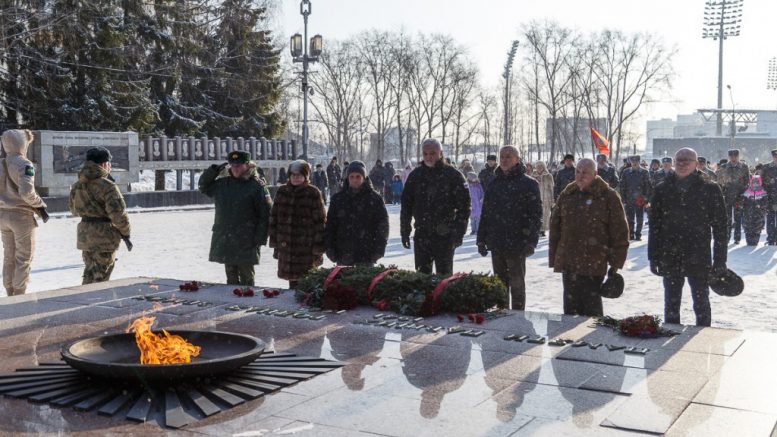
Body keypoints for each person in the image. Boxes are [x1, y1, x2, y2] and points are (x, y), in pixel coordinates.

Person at [648, 148, 727, 327]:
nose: (682, 164)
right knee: (671, 303)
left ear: (696, 163)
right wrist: (653, 256)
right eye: (679, 160)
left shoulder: (709, 188)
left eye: (687, 160)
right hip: (670, 254)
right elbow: (655, 226)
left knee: (701, 302)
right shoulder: (662, 188)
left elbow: (721, 228)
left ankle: (703, 336)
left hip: (698, 254)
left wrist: (720, 260)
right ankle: (670, 333)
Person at [549, 158, 629, 317]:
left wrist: (615, 264)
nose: (580, 176)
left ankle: (593, 333)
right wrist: (556, 257)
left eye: (585, 172)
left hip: (594, 261)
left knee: (591, 310)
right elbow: (555, 227)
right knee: (570, 309)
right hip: (569, 260)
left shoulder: (608, 196)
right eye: (577, 172)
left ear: (595, 173)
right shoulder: (567, 194)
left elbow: (620, 232)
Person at [477, 146, 542, 310]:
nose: (504, 160)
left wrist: (531, 241)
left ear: (517, 160)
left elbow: (535, 216)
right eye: (502, 157)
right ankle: (502, 315)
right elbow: (486, 213)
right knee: (500, 285)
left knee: (517, 284)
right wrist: (481, 239)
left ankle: (517, 317)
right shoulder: (494, 183)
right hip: (497, 241)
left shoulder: (529, 184)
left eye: (509, 157)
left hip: (517, 242)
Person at [198, 150, 271, 285]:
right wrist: (213, 171)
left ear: (247, 165)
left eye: (239, 165)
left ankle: (247, 299)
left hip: (247, 240)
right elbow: (203, 187)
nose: (236, 169)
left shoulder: (256, 186)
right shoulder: (223, 184)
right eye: (233, 165)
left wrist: (260, 238)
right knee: (230, 280)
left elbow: (265, 214)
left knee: (247, 281)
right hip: (227, 238)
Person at [401, 138, 470, 276]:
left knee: (444, 278)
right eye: (425, 154)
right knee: (422, 277)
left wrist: (459, 232)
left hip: (445, 235)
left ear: (441, 153)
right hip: (422, 233)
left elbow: (464, 207)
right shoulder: (415, 176)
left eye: (432, 153)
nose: (429, 157)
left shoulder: (453, 175)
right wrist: (405, 230)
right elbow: (406, 205)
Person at [68, 147, 131, 284]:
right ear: (103, 164)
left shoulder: (77, 185)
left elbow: (73, 210)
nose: (110, 167)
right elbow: (118, 215)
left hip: (85, 237)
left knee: (89, 275)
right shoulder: (108, 186)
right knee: (100, 280)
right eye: (109, 163)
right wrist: (126, 232)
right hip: (104, 238)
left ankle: (82, 296)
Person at [0, 129, 48, 296]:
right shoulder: (24, 164)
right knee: (23, 258)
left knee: (9, 256)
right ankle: (19, 294)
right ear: (22, 144)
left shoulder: (1, 163)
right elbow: (27, 193)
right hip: (21, 217)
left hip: (2, 216)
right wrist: (40, 204)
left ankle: (9, 291)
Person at [269, 160, 326, 289]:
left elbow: (320, 222)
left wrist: (318, 248)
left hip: (306, 247)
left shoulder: (313, 193)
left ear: (306, 176)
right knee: (292, 284)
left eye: (299, 175)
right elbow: (274, 218)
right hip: (286, 246)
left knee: (307, 283)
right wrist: (275, 243)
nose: (296, 177)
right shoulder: (282, 191)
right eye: (293, 174)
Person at [324, 161, 389, 266]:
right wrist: (329, 248)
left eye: (358, 176)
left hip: (367, 253)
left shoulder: (374, 199)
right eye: (352, 176)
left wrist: (379, 249)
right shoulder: (338, 199)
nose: (355, 180)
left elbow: (383, 226)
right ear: (347, 178)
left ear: (364, 177)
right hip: (343, 253)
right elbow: (330, 225)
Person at [716, 149, 750, 244]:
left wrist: (742, 193)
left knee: (738, 218)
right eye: (731, 156)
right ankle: (727, 237)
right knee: (727, 218)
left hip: (739, 196)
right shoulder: (723, 167)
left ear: (738, 156)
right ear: (729, 157)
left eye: (735, 156)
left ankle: (737, 238)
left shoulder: (744, 167)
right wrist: (722, 193)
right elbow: (719, 182)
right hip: (727, 196)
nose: (733, 158)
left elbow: (747, 181)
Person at [619, 155, 652, 241]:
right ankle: (631, 234)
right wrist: (623, 199)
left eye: (636, 162)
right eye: (633, 162)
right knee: (630, 218)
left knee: (640, 218)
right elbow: (622, 186)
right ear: (630, 162)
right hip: (629, 198)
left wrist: (646, 199)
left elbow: (648, 186)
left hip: (640, 199)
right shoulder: (626, 172)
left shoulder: (644, 172)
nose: (634, 163)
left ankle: (638, 234)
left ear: (639, 162)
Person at [742, 174, 768, 246]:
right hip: (748, 213)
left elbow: (765, 202)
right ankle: (748, 240)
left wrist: (761, 206)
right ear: (751, 183)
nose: (755, 184)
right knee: (748, 226)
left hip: (759, 213)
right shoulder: (747, 192)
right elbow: (744, 201)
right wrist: (745, 204)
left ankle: (755, 240)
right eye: (753, 183)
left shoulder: (762, 192)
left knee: (757, 227)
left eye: (757, 183)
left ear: (760, 183)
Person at [532, 161, 554, 237]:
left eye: (541, 166)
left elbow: (551, 188)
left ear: (544, 167)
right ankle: (537, 229)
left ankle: (543, 230)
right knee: (536, 214)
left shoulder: (548, 176)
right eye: (538, 166)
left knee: (545, 214)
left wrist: (552, 200)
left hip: (546, 198)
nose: (539, 168)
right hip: (535, 198)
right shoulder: (533, 176)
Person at [762, 149, 777, 245]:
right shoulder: (767, 167)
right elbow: (762, 182)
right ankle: (771, 238)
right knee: (770, 219)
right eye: (775, 156)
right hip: (770, 196)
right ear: (773, 157)